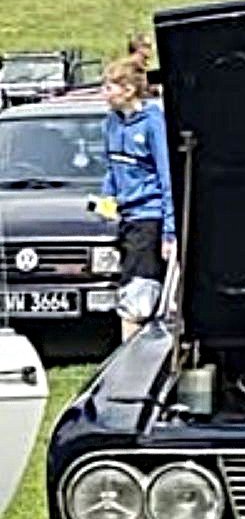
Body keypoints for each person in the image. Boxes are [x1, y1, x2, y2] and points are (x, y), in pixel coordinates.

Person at [98, 58, 175, 340]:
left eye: (109, 88)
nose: (104, 94)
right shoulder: (110, 123)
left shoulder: (154, 123)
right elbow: (112, 167)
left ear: (128, 90)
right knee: (128, 282)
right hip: (126, 218)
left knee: (139, 294)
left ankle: (132, 350)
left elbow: (167, 178)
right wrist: (107, 198)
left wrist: (169, 231)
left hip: (148, 217)